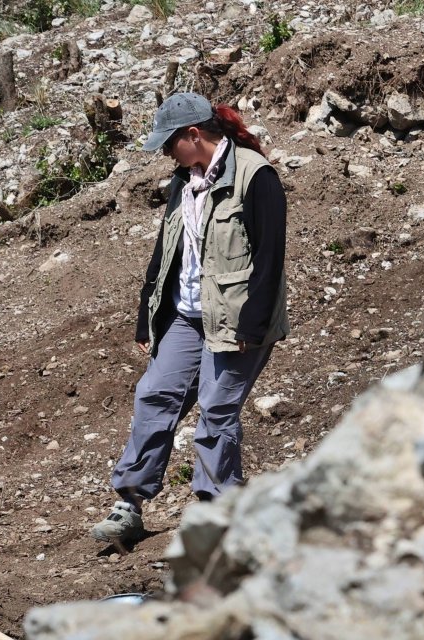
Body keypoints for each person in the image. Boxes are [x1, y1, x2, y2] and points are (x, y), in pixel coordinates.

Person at [91, 93, 288, 547]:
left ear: (193, 135)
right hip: (186, 315)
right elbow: (168, 251)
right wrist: (147, 316)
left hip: (237, 319)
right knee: (154, 394)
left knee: (217, 411)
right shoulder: (186, 181)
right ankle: (130, 504)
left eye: (168, 144)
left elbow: (270, 257)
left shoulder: (256, 177)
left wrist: (252, 326)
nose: (165, 154)